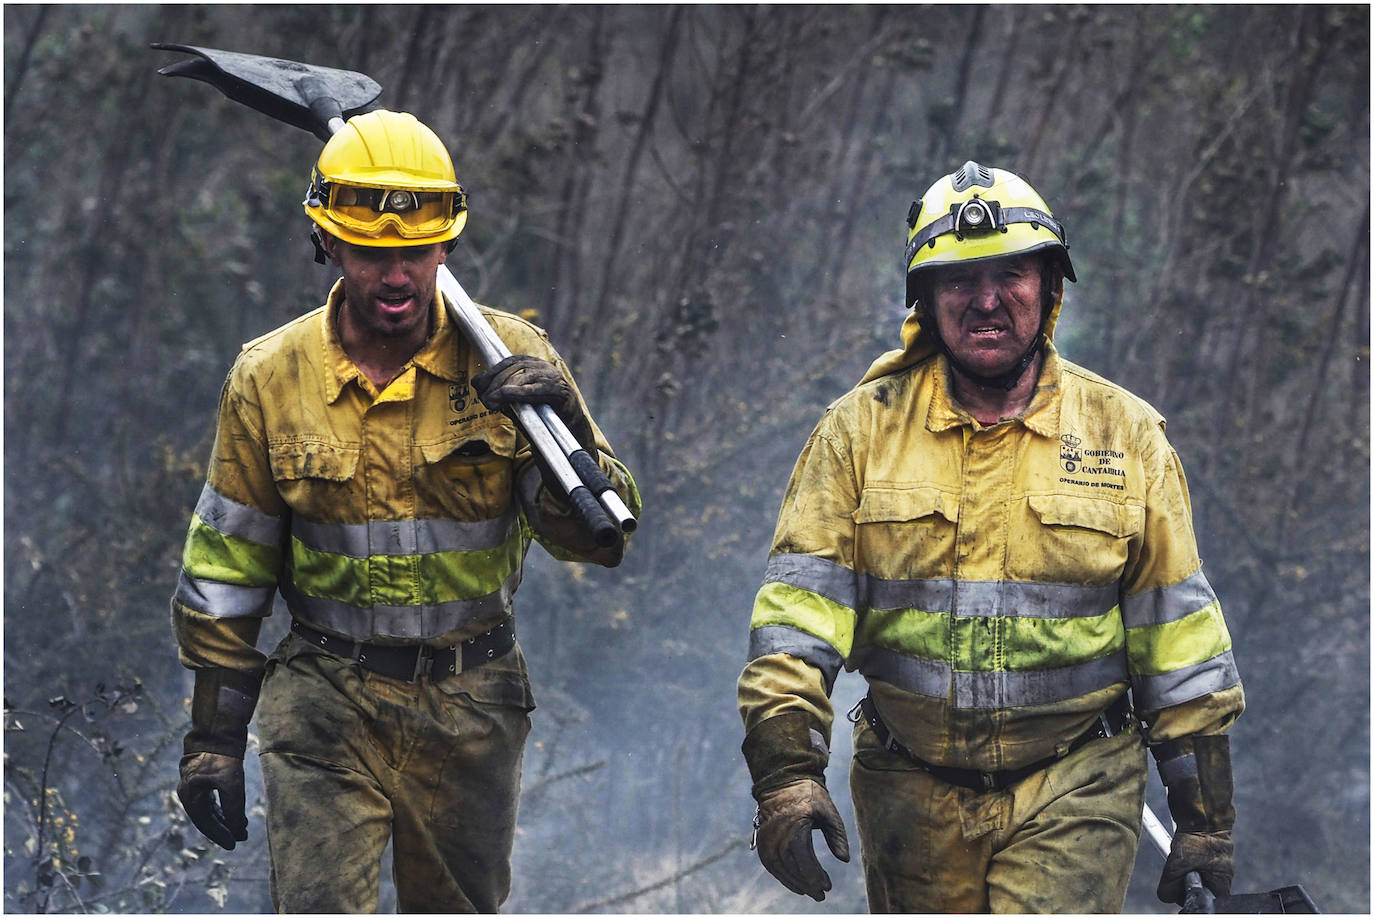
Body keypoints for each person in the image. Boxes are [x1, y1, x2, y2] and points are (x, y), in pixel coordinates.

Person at [737, 161, 1243, 912]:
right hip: (909, 788)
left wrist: (1204, 819)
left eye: (1010, 274)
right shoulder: (858, 433)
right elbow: (794, 626)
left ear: (1050, 287)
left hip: (1078, 780)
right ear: (926, 301)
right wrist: (787, 774)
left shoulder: (1126, 437)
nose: (986, 300)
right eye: (957, 281)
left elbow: (1178, 639)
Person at [171, 109, 640, 912]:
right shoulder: (269, 378)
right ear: (326, 243)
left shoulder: (511, 360)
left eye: (416, 253)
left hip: (472, 704)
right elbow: (227, 571)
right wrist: (213, 740)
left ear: (447, 246)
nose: (397, 277)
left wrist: (562, 435)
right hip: (326, 698)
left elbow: (598, 540)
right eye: (372, 253)